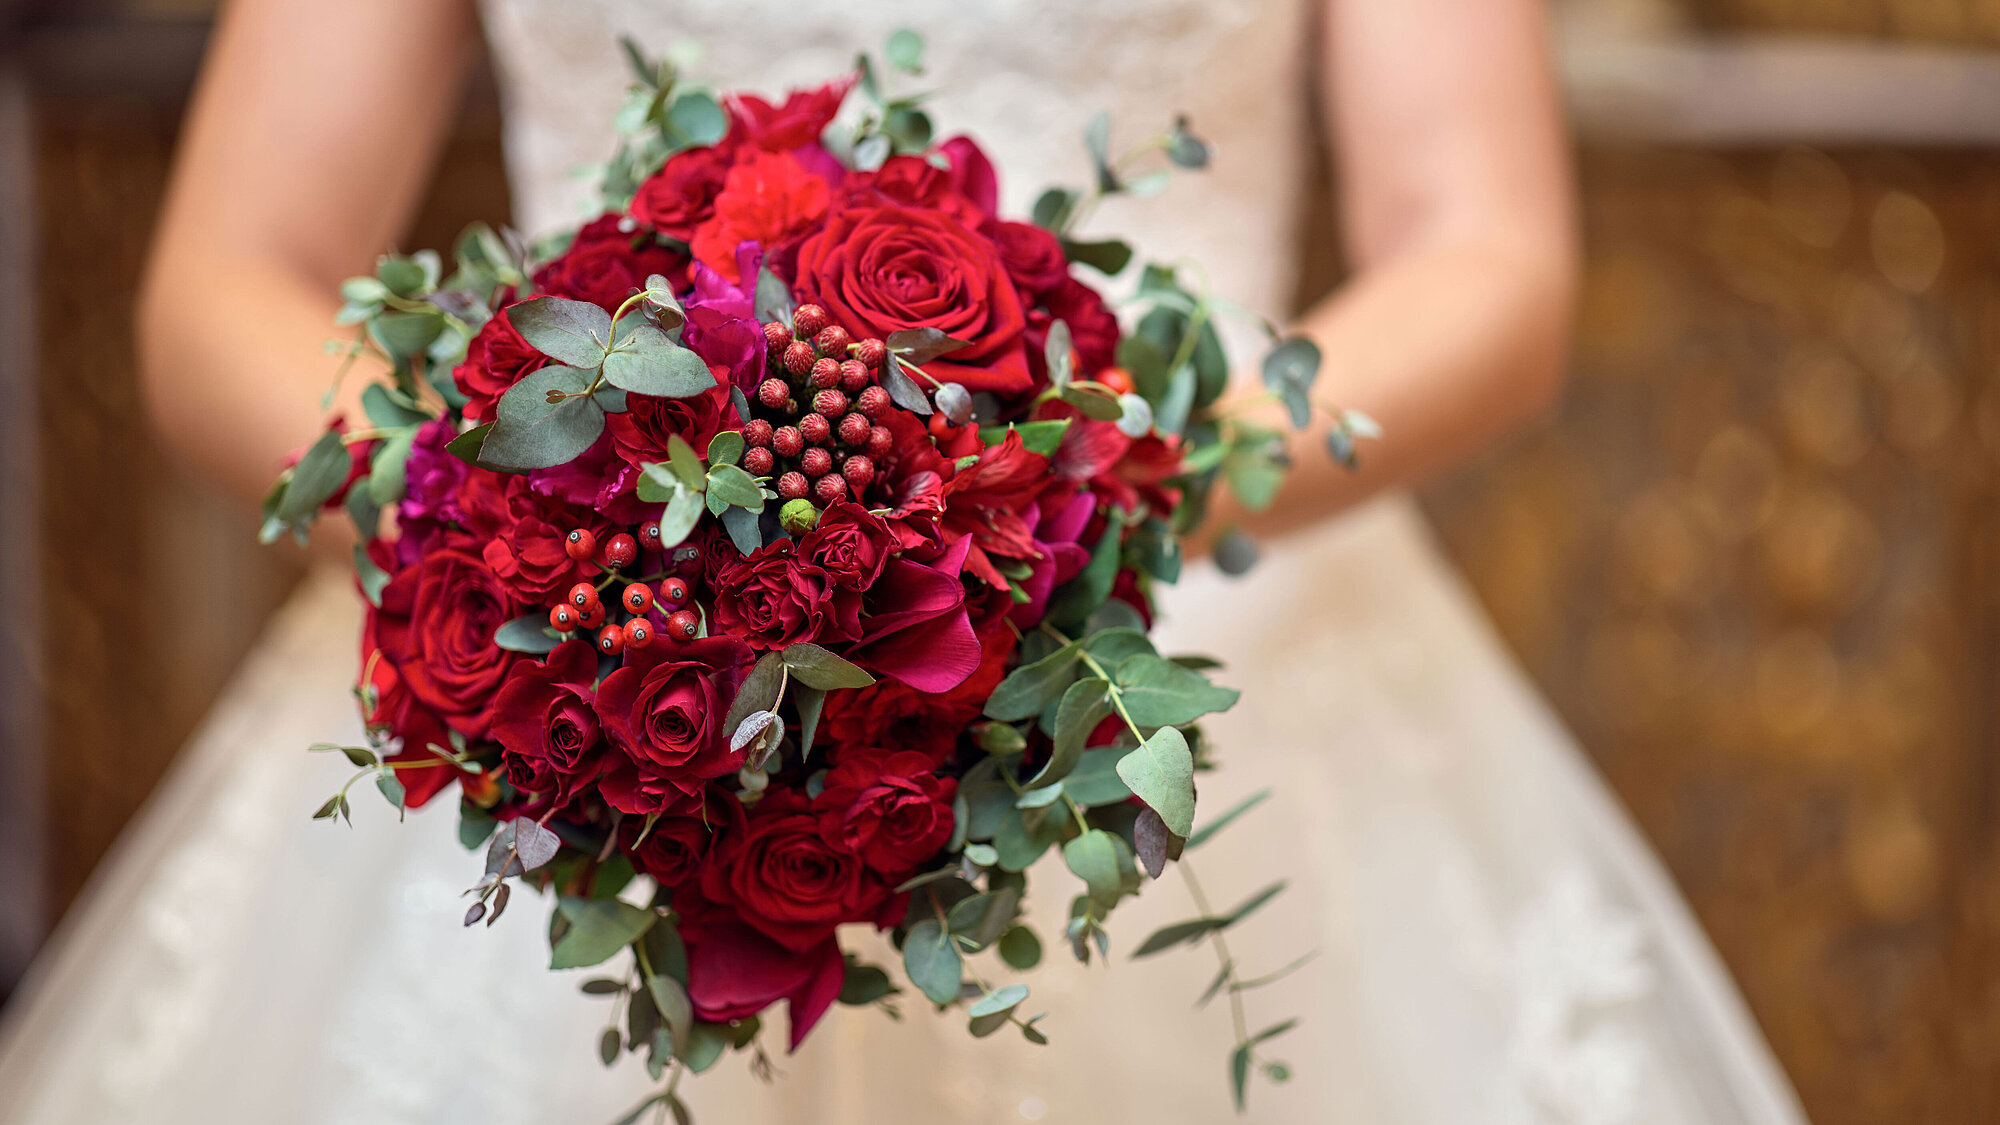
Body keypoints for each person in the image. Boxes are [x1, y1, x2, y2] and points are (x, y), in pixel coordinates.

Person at [0, 1, 1812, 1122]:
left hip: (1194, 665)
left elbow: (1486, 257)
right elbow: (220, 288)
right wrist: (541, 536)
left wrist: (1073, 501)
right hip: (592, 680)